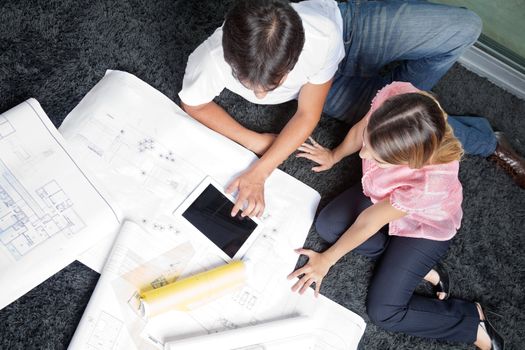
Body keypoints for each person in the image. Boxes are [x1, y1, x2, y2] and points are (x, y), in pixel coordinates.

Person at [178, 0, 525, 219]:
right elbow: (193, 103)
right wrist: (254, 140)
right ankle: (483, 139)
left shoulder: (319, 33)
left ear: (296, 55)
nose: (259, 92)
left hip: (349, 31)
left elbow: (306, 114)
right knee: (399, 125)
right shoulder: (210, 58)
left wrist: (261, 170)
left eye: (273, 82)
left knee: (465, 28)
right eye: (249, 84)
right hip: (325, 89)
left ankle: (403, 99)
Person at [287, 81, 504, 350]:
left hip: (424, 227)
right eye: (368, 144)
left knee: (385, 311)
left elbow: (370, 220)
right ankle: (420, 269)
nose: (364, 154)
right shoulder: (397, 98)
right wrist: (334, 155)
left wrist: (328, 260)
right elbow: (360, 131)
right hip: (382, 194)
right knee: (329, 225)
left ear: (410, 162)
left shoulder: (431, 181)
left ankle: (471, 322)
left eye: (378, 158)